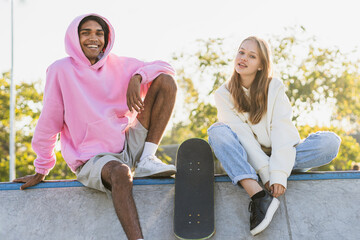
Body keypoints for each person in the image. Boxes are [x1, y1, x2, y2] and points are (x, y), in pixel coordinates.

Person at [13, 13, 177, 240]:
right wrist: (42, 167)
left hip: (127, 144)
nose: (94, 38)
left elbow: (166, 67)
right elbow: (49, 121)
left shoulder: (121, 65)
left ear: (106, 38)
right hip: (93, 159)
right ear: (74, 38)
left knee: (166, 82)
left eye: (99, 33)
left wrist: (138, 76)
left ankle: (147, 159)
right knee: (120, 172)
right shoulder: (60, 70)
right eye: (86, 33)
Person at [207, 36, 341, 236]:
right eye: (241, 52)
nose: (243, 58)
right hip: (251, 158)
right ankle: (259, 195)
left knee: (330, 142)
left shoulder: (274, 87)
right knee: (217, 131)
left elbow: (282, 131)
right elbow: (243, 138)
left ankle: (274, 168)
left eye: (252, 56)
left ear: (261, 65)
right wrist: (266, 174)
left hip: (283, 151)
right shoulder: (223, 94)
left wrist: (278, 173)